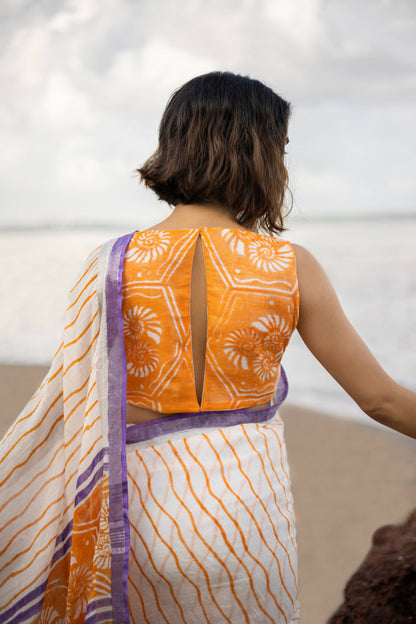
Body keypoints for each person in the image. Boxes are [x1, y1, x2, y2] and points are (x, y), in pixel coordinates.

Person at [0, 71, 415, 624]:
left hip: (139, 516)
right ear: (258, 154)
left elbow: (68, 404)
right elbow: (379, 400)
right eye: (282, 151)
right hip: (245, 515)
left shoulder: (108, 264)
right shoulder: (290, 268)